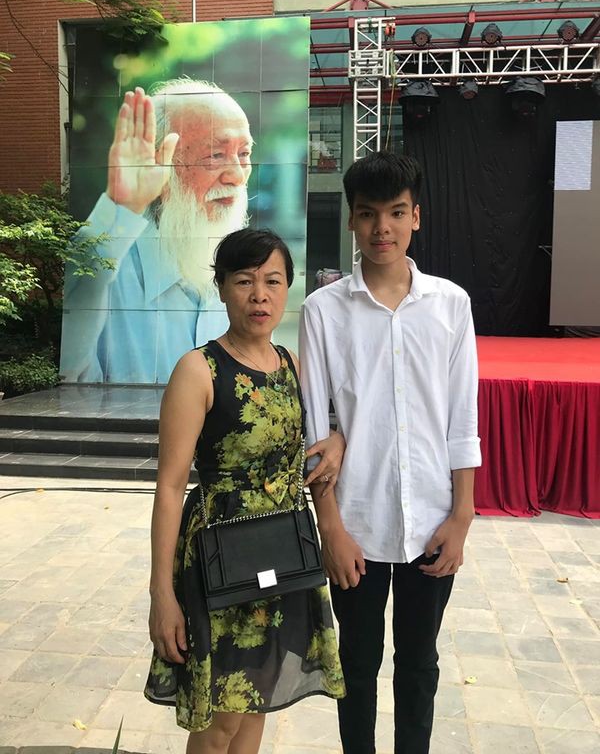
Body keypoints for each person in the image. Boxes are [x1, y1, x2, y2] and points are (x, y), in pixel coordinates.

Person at [299, 151, 481, 754]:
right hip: (357, 523)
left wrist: (461, 516)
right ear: (352, 220)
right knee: (356, 666)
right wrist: (331, 529)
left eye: (397, 213)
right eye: (368, 213)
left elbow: (462, 418)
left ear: (416, 217)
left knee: (419, 664)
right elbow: (314, 430)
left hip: (431, 521)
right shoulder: (323, 311)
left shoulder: (451, 305)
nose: (383, 227)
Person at [145, 228, 345, 752]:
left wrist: (339, 440)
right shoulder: (198, 370)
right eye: (244, 281)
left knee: (256, 702)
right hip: (219, 563)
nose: (260, 295)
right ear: (221, 288)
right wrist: (161, 593)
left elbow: (316, 442)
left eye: (272, 281)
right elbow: (169, 487)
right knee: (220, 723)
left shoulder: (291, 365)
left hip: (281, 557)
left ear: (287, 289)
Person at [61, 78, 253, 384]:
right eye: (216, 155)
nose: (237, 176)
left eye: (244, 154)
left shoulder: (248, 274)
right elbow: (72, 380)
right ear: (158, 162)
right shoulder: (106, 273)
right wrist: (120, 207)